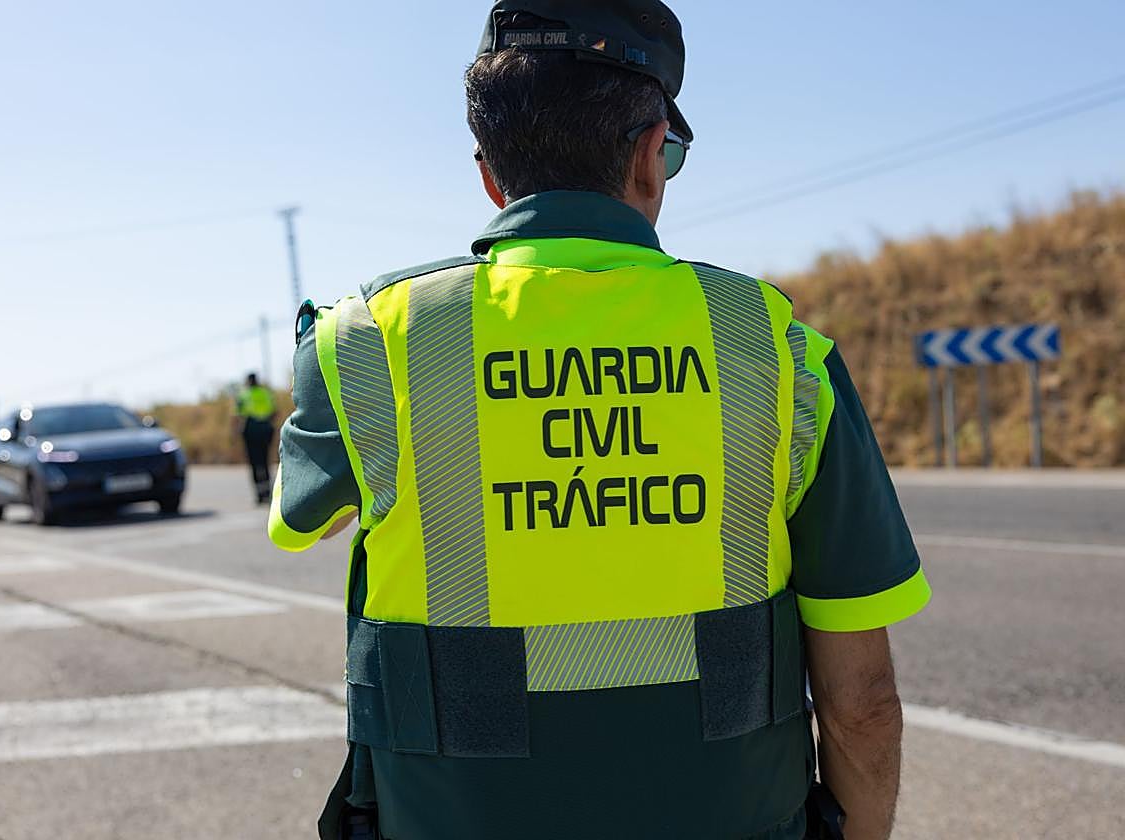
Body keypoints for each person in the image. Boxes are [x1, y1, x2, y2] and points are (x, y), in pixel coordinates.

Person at [269, 2, 931, 838]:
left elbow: (305, 522)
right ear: (652, 156)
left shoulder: (369, 340)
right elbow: (862, 703)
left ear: (489, 173)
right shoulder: (775, 348)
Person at [235, 372, 276, 504]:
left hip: (251, 428)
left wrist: (236, 432)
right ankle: (267, 492)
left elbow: (238, 415)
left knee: (254, 463)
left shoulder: (243, 394)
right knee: (265, 462)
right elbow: (274, 412)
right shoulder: (265, 393)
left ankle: (259, 494)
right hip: (265, 428)